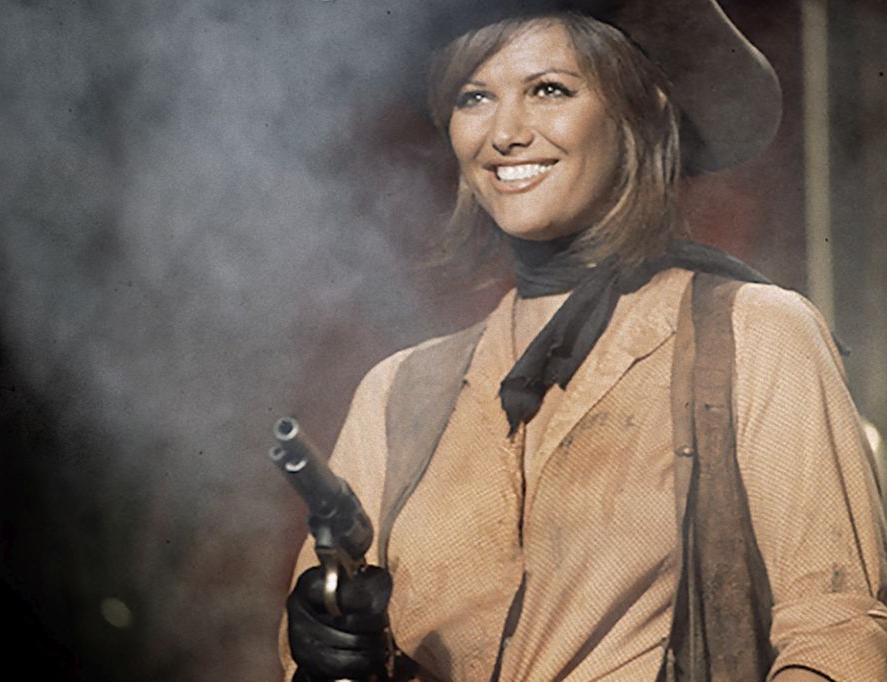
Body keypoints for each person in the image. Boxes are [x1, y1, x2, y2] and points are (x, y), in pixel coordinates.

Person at [278, 1, 887, 680]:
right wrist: (326, 653)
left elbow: (836, 637)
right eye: (475, 97)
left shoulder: (756, 335)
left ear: (642, 109)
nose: (505, 133)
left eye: (549, 90)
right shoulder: (395, 396)